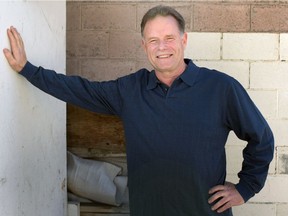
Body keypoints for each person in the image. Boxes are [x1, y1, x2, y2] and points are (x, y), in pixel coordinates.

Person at [3, 5, 274, 216]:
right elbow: (80, 90)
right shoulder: (131, 90)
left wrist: (245, 187)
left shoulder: (220, 88)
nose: (162, 47)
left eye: (169, 38)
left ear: (184, 40)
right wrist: (28, 69)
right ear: (144, 46)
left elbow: (261, 138)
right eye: (153, 40)